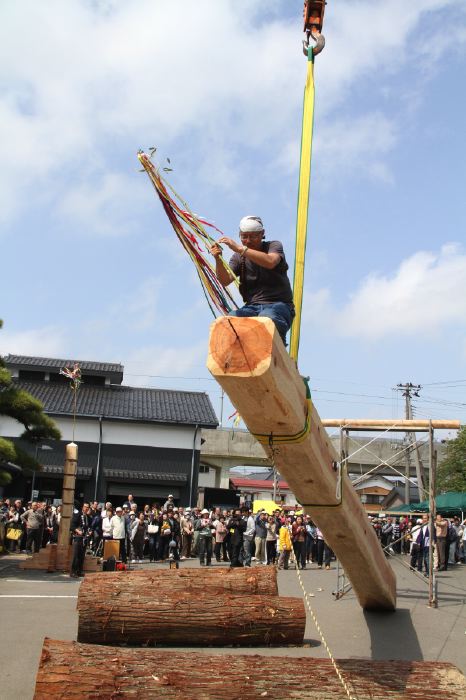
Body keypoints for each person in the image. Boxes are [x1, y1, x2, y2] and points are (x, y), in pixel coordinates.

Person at [210, 215, 295, 345]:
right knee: (230, 320)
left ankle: (278, 351)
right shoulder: (238, 257)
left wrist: (240, 249)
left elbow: (271, 261)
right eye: (244, 236)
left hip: (279, 305)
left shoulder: (273, 246)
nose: (248, 241)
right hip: (252, 307)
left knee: (267, 318)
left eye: (253, 236)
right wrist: (218, 259)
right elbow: (225, 280)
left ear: (262, 234)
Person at [70, 503, 91, 577]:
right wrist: (78, 531)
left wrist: (90, 531)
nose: (86, 508)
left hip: (84, 538)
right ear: (82, 507)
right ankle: (73, 572)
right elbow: (72, 526)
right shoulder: (78, 514)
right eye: (85, 507)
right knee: (76, 555)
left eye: (88, 507)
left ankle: (79, 570)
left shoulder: (88, 517)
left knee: (82, 555)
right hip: (78, 537)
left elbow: (89, 526)